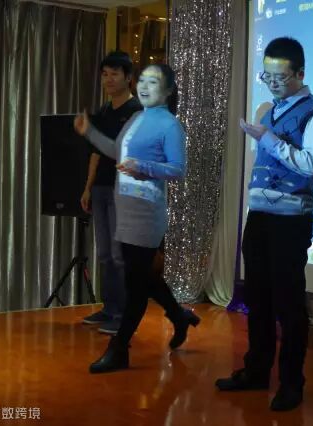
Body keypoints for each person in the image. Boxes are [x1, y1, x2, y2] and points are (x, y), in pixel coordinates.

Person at [215, 37, 313, 411]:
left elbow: (311, 164)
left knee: (288, 304)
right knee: (258, 300)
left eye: (279, 76)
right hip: (260, 217)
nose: (272, 83)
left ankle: (292, 383)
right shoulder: (271, 112)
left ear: (300, 73)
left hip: (290, 221)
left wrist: (266, 139)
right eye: (267, 76)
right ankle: (256, 371)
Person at [74, 63, 200, 374]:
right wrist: (89, 132)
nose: (144, 87)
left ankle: (119, 348)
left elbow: (178, 170)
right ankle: (179, 315)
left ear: (167, 91)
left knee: (136, 285)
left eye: (153, 83)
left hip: (147, 212)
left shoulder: (170, 125)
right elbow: (116, 152)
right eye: (142, 81)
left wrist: (143, 167)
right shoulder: (136, 118)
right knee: (143, 277)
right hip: (125, 208)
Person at [81, 51, 142, 335]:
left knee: (120, 255)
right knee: (104, 253)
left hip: (123, 190)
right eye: (104, 74)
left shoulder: (136, 111)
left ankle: (123, 315)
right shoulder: (104, 111)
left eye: (114, 74)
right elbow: (95, 152)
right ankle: (109, 308)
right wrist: (88, 187)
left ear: (128, 78)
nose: (108, 79)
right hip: (102, 188)